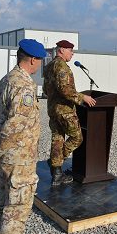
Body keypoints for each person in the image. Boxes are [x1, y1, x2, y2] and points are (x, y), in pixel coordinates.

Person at [0, 39, 46, 234]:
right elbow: (14, 127)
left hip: (4, 160)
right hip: (19, 160)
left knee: (1, 204)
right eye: (41, 60)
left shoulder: (7, 79)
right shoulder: (24, 86)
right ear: (33, 59)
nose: (41, 64)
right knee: (15, 213)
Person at [43, 40, 96, 186]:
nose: (72, 53)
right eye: (70, 50)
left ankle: (57, 175)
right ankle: (56, 162)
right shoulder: (62, 67)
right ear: (61, 50)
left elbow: (45, 90)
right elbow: (65, 90)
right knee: (77, 137)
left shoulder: (48, 66)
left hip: (53, 109)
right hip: (64, 110)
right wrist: (83, 97)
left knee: (58, 138)